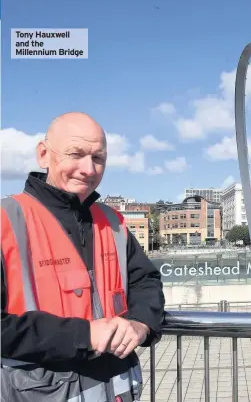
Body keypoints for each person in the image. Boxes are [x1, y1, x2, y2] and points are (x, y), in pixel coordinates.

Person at [1, 112, 165, 402]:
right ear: (43, 154)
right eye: (75, 154)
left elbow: (146, 280)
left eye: (98, 158)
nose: (88, 169)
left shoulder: (113, 222)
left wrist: (140, 324)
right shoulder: (6, 221)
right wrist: (83, 335)